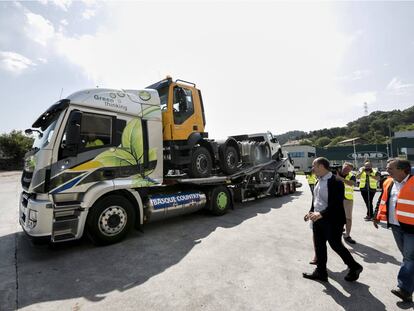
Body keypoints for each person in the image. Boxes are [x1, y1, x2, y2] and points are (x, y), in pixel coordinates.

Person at [303, 157, 363, 282]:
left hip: (332, 220)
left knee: (335, 245)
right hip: (317, 219)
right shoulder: (318, 180)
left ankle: (355, 267)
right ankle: (321, 272)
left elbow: (336, 204)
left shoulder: (335, 181)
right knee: (319, 246)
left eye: (314, 166)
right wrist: (310, 212)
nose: (312, 168)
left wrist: (321, 214)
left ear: (321, 166)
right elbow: (316, 200)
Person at [373, 159, 414, 303]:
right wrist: (376, 215)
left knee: (409, 258)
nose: (387, 170)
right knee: (407, 256)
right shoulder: (388, 182)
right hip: (396, 226)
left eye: (390, 168)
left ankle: (405, 289)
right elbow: (383, 199)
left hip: (411, 228)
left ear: (403, 170)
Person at [335, 162, 357, 244]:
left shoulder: (352, 176)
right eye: (345, 167)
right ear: (342, 166)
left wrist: (340, 178)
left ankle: (347, 235)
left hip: (347, 199)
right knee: (337, 217)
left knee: (348, 218)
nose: (346, 169)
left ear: (350, 170)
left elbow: (352, 183)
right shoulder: (335, 172)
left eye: (348, 169)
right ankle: (339, 230)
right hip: (336, 199)